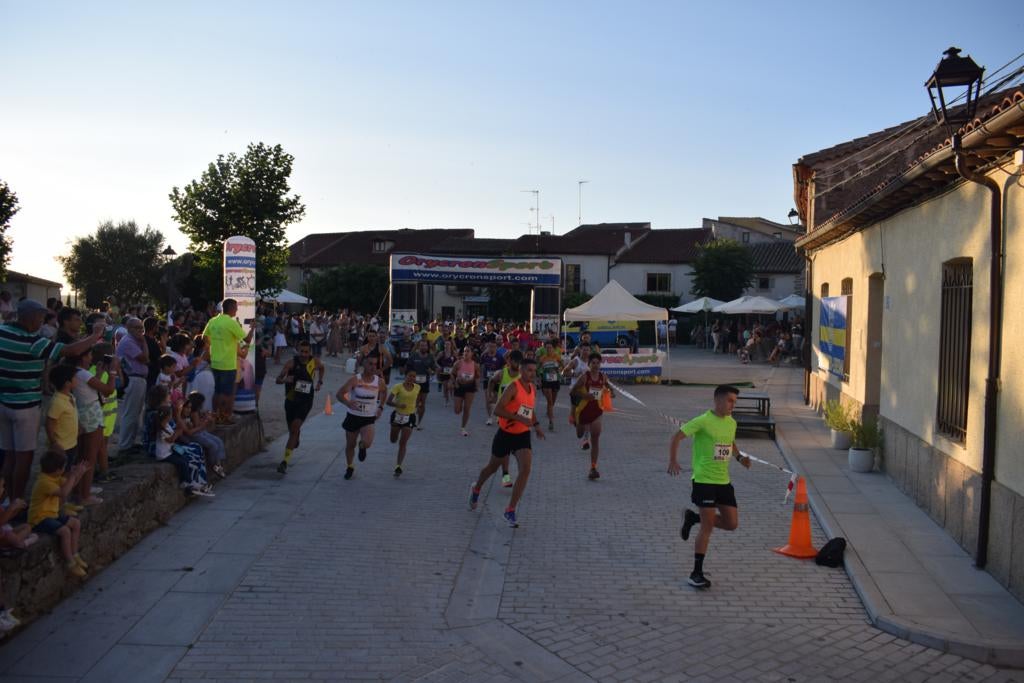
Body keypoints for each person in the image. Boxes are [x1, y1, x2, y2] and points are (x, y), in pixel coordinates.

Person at [0, 300, 104, 502]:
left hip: (4, 402)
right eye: (40, 317)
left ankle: (6, 499)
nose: (42, 321)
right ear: (29, 318)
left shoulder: (3, 332)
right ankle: (17, 501)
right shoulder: (32, 342)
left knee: (9, 455)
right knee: (24, 456)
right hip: (25, 406)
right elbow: (70, 351)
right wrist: (95, 336)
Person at [669, 385, 751, 589]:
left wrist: (740, 457)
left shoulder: (731, 422)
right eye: (730, 400)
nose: (733, 405)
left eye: (735, 401)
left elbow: (730, 442)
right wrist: (673, 460)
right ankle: (696, 573)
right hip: (704, 480)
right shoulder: (703, 420)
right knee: (708, 527)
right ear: (718, 400)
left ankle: (693, 517)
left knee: (732, 524)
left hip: (723, 482)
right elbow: (677, 436)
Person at [468, 358, 545, 528]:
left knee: (525, 469)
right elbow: (498, 410)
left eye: (534, 370)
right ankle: (476, 488)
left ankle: (510, 510)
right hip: (505, 434)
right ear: (522, 370)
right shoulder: (513, 387)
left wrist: (537, 426)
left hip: (522, 435)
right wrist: (517, 417)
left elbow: (529, 410)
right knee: (492, 468)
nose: (532, 373)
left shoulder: (532, 388)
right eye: (529, 370)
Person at [28, 451, 89, 578]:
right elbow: (64, 493)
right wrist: (73, 476)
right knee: (65, 531)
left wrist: (78, 474)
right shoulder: (44, 482)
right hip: (40, 518)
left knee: (76, 523)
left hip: (52, 514)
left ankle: (75, 554)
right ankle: (70, 563)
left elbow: (69, 486)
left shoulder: (53, 477)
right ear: (58, 469)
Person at [70, 351, 116, 505]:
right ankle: (85, 495)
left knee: (81, 455)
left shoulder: (74, 372)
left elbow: (89, 389)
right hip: (92, 416)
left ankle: (79, 490)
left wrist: (98, 373)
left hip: (82, 414)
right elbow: (108, 390)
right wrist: (113, 372)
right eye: (89, 355)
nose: (91, 358)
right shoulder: (83, 373)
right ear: (82, 357)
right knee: (90, 457)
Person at [202, 299, 256, 424]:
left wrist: (214, 346)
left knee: (217, 391)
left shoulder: (213, 320)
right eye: (236, 307)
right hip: (227, 364)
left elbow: (204, 337)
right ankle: (224, 417)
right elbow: (247, 340)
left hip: (215, 362)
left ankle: (216, 416)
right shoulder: (231, 323)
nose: (237, 310)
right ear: (231, 308)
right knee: (227, 393)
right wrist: (252, 328)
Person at [275, 340, 324, 474]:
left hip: (306, 400)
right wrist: (285, 380)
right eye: (302, 351)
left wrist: (319, 381)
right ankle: (295, 437)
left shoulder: (315, 362)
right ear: (298, 350)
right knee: (292, 430)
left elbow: (322, 368)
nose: (304, 354)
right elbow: (278, 379)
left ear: (310, 352)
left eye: (306, 352)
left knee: (295, 427)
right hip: (291, 400)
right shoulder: (291, 363)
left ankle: (285, 462)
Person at [337, 355, 386, 480]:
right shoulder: (355, 380)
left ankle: (362, 446)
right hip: (353, 416)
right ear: (364, 365)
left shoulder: (379, 381)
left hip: (368, 417)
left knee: (368, 443)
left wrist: (380, 407)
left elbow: (384, 392)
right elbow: (339, 394)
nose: (372, 367)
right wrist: (348, 403)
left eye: (375, 364)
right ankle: (350, 467)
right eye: (370, 364)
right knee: (350, 445)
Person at [571, 352, 614, 480]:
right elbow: (572, 391)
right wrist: (585, 396)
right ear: (589, 364)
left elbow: (608, 386)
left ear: (600, 364)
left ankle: (593, 467)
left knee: (596, 437)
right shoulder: (584, 377)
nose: (595, 365)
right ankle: (579, 426)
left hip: (597, 411)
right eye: (593, 363)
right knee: (579, 433)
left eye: (597, 363)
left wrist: (611, 392)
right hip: (583, 410)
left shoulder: (603, 377)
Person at [487, 350, 523, 488]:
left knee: (518, 447)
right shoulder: (502, 373)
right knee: (507, 448)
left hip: (519, 416)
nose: (515, 364)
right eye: (513, 361)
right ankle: (506, 474)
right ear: (509, 361)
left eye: (518, 362)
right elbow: (491, 381)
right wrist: (491, 395)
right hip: (504, 416)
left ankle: (516, 473)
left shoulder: (522, 376)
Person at [181, 392, 227, 479]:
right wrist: (206, 420)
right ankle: (214, 465)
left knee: (219, 441)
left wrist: (206, 418)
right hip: (195, 435)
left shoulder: (197, 412)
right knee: (212, 445)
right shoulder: (193, 413)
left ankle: (219, 464)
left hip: (199, 432)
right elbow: (198, 427)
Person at [386, 369, 420, 477]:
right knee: (393, 440)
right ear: (406, 376)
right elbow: (388, 401)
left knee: (403, 442)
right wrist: (398, 405)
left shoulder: (418, 387)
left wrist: (417, 406)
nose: (412, 378)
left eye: (414, 376)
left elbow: (418, 399)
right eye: (410, 376)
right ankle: (393, 436)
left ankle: (398, 466)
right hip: (397, 416)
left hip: (409, 417)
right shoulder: (398, 386)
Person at [406, 339, 436, 430]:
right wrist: (410, 376)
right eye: (421, 345)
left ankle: (419, 422)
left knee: (422, 403)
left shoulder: (430, 357)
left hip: (424, 383)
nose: (423, 347)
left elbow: (434, 369)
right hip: (414, 383)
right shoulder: (414, 355)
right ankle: (410, 420)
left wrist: (432, 371)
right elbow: (408, 367)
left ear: (427, 347)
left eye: (425, 346)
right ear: (419, 347)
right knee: (414, 402)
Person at [452, 346, 479, 437]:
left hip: (470, 387)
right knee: (457, 410)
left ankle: (463, 428)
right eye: (464, 351)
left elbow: (478, 376)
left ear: (472, 353)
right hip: (459, 386)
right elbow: (452, 373)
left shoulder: (475, 365)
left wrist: (476, 384)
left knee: (467, 408)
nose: (466, 353)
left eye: (468, 351)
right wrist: (455, 382)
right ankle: (459, 405)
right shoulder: (458, 363)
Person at [537, 340, 563, 431]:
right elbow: (537, 369)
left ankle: (549, 411)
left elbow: (563, 366)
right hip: (546, 381)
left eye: (550, 347)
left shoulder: (557, 357)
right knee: (550, 401)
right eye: (547, 348)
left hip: (556, 380)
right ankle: (551, 421)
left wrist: (560, 370)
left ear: (553, 348)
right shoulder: (543, 358)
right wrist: (539, 379)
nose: (549, 349)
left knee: (553, 401)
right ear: (545, 349)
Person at [435, 340, 456, 407]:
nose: (447, 346)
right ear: (444, 345)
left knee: (450, 386)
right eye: (446, 344)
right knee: (445, 387)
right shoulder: (441, 353)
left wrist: (454, 368)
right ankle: (447, 400)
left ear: (451, 345)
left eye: (448, 344)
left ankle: (452, 396)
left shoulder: (453, 353)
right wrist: (439, 366)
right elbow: (435, 361)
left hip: (451, 373)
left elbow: (458, 361)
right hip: (443, 373)